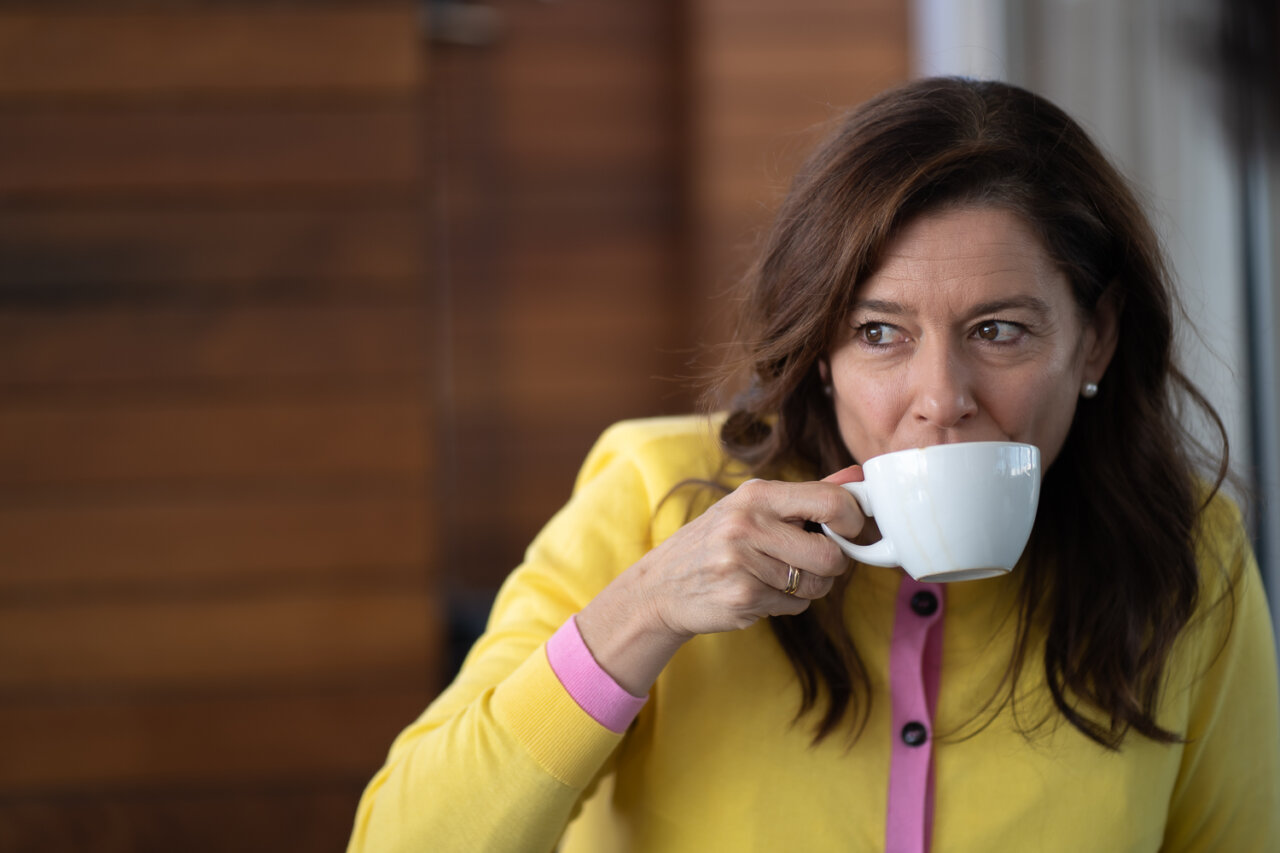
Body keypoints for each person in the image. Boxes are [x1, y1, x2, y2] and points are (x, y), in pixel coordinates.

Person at [346, 77, 1280, 852]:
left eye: (998, 331)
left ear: (1096, 340)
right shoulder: (649, 491)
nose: (939, 394)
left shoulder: (1190, 549)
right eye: (880, 332)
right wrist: (643, 613)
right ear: (822, 353)